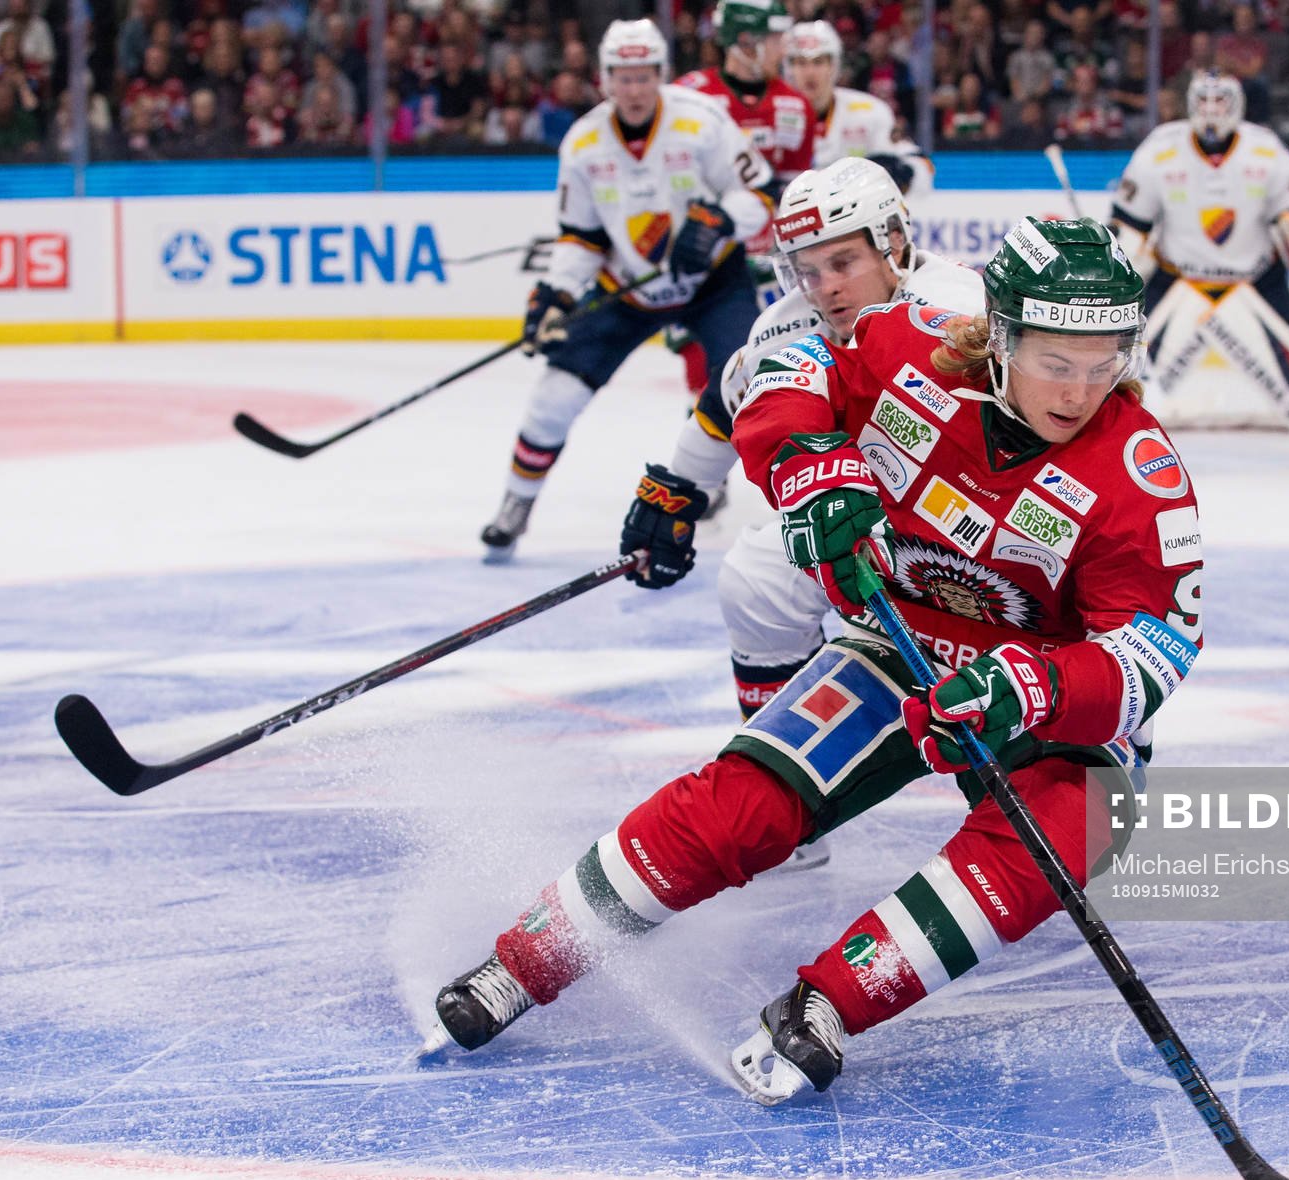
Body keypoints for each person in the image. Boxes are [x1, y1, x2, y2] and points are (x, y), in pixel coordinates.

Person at [431, 217, 1204, 1113]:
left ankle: (829, 1002)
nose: (1078, 390)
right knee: (743, 805)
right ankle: (526, 959)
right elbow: (785, 373)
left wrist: (1030, 688)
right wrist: (805, 464)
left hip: (1036, 697)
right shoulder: (911, 352)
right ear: (998, 336)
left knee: (1072, 835)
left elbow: (1152, 648)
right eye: (1052, 360)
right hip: (893, 648)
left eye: (1102, 360)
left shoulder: (1140, 476)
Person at [623, 157, 984, 719]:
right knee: (757, 578)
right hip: (873, 521)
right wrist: (677, 492)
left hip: (988, 528)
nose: (826, 289)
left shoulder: (960, 310)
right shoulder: (787, 325)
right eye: (807, 271)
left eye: (843, 262)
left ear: (892, 241)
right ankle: (778, 759)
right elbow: (729, 402)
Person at [476, 19, 774, 561]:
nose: (634, 89)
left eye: (643, 76)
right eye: (623, 77)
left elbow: (761, 192)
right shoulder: (585, 144)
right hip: (629, 290)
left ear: (660, 75)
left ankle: (778, 500)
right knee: (554, 396)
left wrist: (719, 222)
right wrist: (556, 292)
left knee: (747, 384)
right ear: (604, 79)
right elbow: (583, 237)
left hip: (713, 282)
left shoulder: (702, 121)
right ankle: (515, 505)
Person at [670, 0, 819, 390]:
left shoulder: (796, 106)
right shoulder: (686, 99)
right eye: (773, 39)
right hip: (708, 265)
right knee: (708, 383)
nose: (782, 49)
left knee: (772, 377)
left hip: (771, 269)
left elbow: (795, 196)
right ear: (745, 42)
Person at [1109, 71, 1289, 328]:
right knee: (1137, 359)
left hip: (1256, 277)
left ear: (1237, 103)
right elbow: (1128, 223)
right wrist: (1123, 262)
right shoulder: (1159, 148)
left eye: (1220, 100)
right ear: (1190, 102)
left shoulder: (1266, 149)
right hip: (1177, 278)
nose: (1210, 109)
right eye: (1203, 100)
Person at [784, 20, 933, 197]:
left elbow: (922, 168)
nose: (809, 72)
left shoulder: (870, 111)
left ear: (834, 65)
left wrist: (900, 173)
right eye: (801, 63)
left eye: (818, 62)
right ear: (789, 68)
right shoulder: (771, 113)